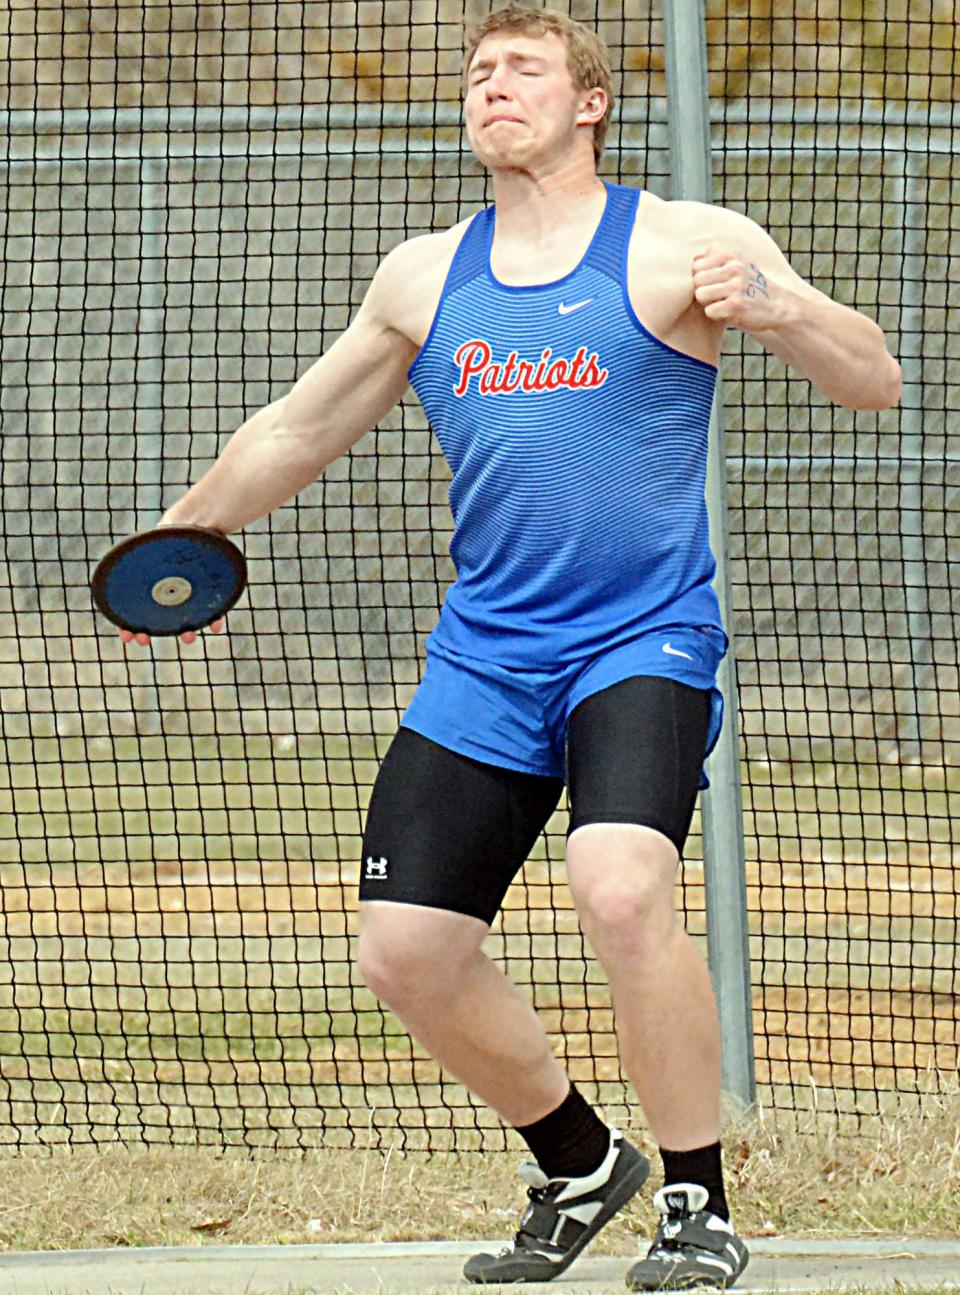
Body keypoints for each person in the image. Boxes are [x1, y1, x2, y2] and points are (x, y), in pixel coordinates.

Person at [119, 5, 902, 1287]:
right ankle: (582, 1160)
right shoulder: (425, 273)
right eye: (478, 74)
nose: (493, 87)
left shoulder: (683, 242)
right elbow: (297, 427)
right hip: (487, 654)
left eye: (523, 69)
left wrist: (766, 305)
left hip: (643, 635)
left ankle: (697, 1202)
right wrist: (183, 531)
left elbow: (872, 374)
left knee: (621, 883)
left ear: (590, 101)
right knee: (404, 947)